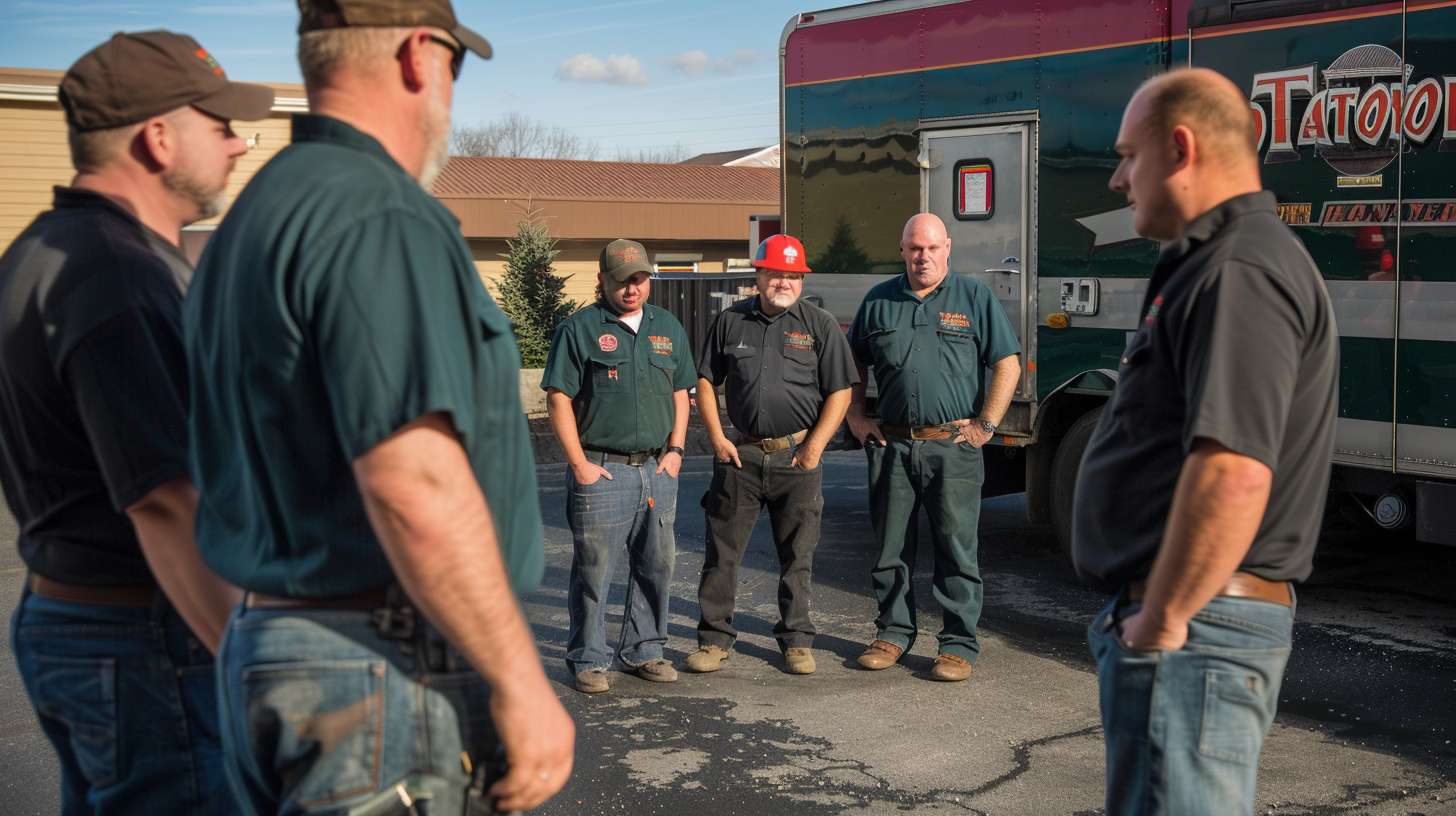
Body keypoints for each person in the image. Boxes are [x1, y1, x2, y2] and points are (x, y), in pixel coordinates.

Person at [184, 2, 574, 812]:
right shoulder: (378, 212)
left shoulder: (255, 216)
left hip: (280, 645)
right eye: (455, 71)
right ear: (418, 56)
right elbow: (414, 483)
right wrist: (520, 679)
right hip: (374, 661)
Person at [0, 31, 271, 813]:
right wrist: (249, 668)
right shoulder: (116, 270)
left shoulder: (45, 250)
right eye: (219, 124)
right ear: (158, 137)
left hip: (84, 625)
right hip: (145, 639)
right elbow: (164, 498)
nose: (236, 145)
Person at [1072, 68, 1338, 815]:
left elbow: (1232, 471)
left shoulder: (1240, 267)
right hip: (1196, 624)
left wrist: (1161, 621)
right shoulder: (1213, 262)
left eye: (1129, 156)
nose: (1121, 179)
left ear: (1180, 147)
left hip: (1198, 630)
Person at [844, 213, 1021, 682]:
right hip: (893, 445)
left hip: (953, 447)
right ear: (902, 250)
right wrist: (857, 417)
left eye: (932, 248)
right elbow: (851, 365)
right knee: (890, 548)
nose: (923, 257)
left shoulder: (974, 297)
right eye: (914, 248)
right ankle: (893, 633)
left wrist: (986, 424)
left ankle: (958, 645)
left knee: (957, 548)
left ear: (948, 248)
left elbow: (1007, 363)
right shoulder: (879, 301)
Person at [684, 234, 857, 676]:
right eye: (775, 273)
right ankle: (714, 639)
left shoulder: (819, 324)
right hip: (738, 456)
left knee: (797, 555)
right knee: (722, 552)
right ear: (759, 275)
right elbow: (705, 381)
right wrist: (717, 438)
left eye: (792, 275)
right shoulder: (729, 321)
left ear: (802, 279)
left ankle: (796, 640)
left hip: (796, 459)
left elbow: (841, 390)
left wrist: (815, 446)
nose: (784, 282)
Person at [541, 238, 695, 694]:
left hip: (657, 470)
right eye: (622, 279)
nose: (632, 288)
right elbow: (558, 398)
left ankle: (644, 650)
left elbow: (680, 393)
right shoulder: (580, 329)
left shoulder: (668, 327)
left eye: (640, 278)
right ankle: (588, 658)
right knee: (594, 569)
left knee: (657, 565)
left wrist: (677, 451)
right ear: (602, 280)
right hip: (602, 470)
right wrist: (579, 465)